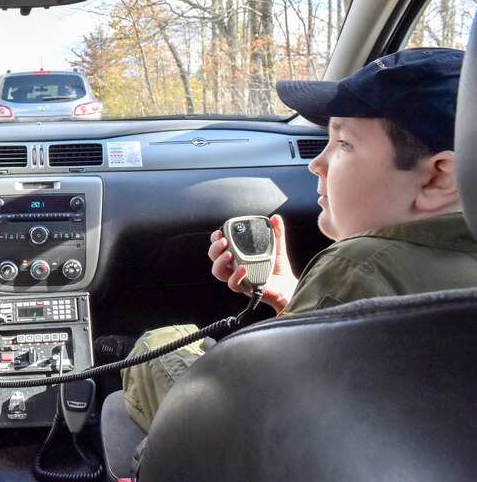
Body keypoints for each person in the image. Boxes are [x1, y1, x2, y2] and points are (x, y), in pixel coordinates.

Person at [118, 47, 477, 433]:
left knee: (159, 346)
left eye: (344, 144)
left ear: (439, 178)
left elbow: (274, 425)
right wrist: (293, 298)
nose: (315, 163)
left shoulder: (356, 266)